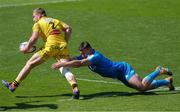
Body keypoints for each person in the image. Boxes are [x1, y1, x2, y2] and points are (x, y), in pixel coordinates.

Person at [2, 8, 80, 99]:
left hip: (50, 46)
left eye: (34, 16)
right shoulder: (55, 20)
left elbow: (34, 38)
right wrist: (65, 41)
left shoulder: (38, 23)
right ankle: (75, 88)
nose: (33, 19)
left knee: (30, 64)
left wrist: (26, 49)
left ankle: (13, 85)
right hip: (62, 46)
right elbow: (68, 28)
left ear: (39, 15)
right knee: (64, 68)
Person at [52, 41, 175, 92]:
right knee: (141, 89)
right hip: (119, 75)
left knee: (142, 86)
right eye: (81, 53)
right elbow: (73, 60)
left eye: (84, 52)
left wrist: (62, 64)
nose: (82, 54)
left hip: (123, 69)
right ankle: (166, 81)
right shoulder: (85, 56)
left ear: (89, 49)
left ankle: (158, 71)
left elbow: (78, 64)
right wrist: (61, 58)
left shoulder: (95, 57)